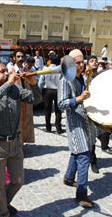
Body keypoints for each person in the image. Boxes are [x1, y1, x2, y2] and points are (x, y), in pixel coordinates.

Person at [0, 63, 41, 217]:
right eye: (2, 71)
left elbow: (36, 99)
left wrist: (33, 84)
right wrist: (8, 84)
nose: (7, 73)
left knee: (18, 180)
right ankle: (4, 214)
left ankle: (3, 203)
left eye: (7, 70)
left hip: (15, 142)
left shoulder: (15, 90)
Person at [58, 49, 96, 208]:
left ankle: (68, 178)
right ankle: (81, 195)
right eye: (77, 63)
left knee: (77, 151)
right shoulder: (64, 80)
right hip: (75, 124)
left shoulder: (83, 76)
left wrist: (90, 77)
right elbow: (61, 104)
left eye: (82, 62)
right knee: (84, 156)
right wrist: (79, 99)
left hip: (86, 122)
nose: (81, 65)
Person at [38, 54, 64, 134]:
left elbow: (40, 82)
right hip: (57, 90)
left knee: (47, 110)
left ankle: (48, 127)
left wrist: (40, 91)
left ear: (50, 60)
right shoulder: (60, 69)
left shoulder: (45, 69)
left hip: (47, 90)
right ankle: (58, 128)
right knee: (58, 110)